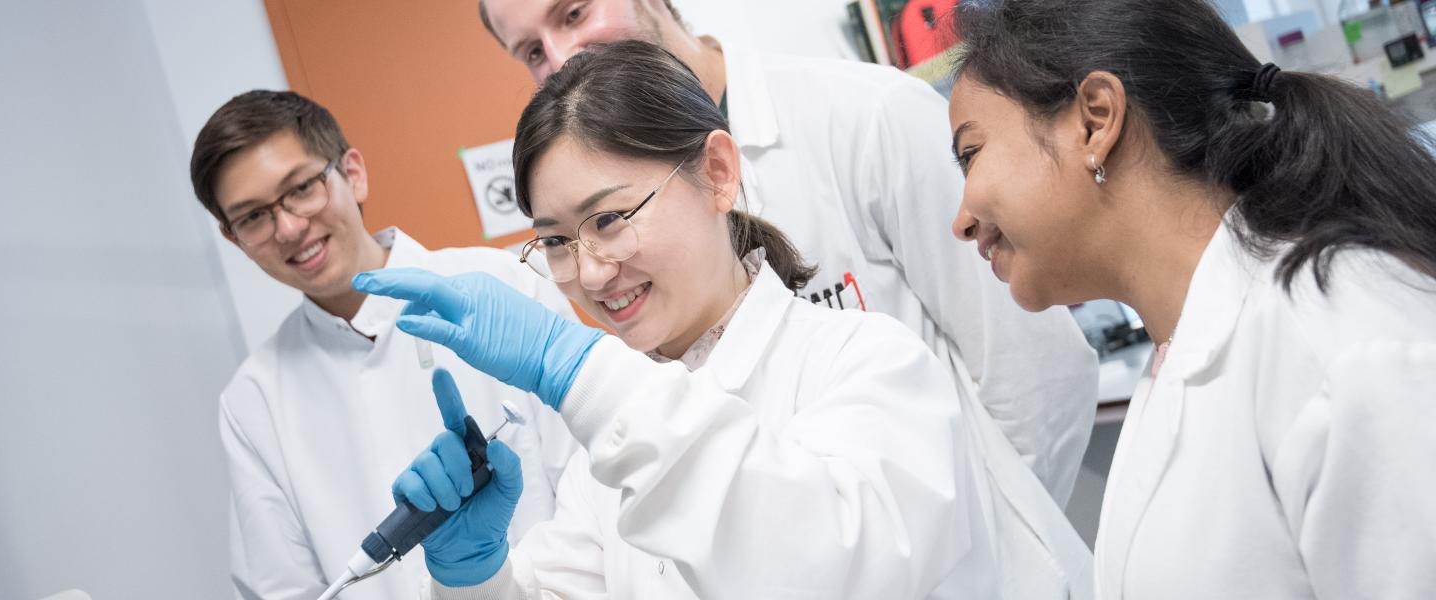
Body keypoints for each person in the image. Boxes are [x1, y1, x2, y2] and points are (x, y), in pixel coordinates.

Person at [349, 40, 1061, 600]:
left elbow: (826, 569)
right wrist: (473, 578)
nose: (591, 272)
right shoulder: (606, 461)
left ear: (718, 172)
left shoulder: (867, 362)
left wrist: (577, 369)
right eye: (559, 242)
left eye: (609, 218)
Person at [475, 0, 1100, 508]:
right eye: (532, 51)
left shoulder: (863, 116)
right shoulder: (611, 256)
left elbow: (1038, 377)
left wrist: (973, 557)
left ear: (719, 171)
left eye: (574, 14)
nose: (561, 58)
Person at [945, 0, 1436, 597]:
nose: (963, 221)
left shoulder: (1340, 342)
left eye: (971, 154)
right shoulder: (1181, 356)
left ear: (1095, 121)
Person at [188, 90, 579, 599]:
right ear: (232, 237)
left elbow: (594, 490)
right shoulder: (253, 399)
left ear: (352, 173)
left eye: (302, 188)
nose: (287, 227)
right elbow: (283, 590)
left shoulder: (502, 283)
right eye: (253, 217)